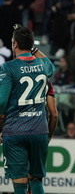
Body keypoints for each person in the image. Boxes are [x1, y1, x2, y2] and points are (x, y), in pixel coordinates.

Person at [0, 24, 56, 194]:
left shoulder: (8, 68)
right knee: (36, 181)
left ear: (15, 44)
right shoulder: (43, 66)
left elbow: (2, 103)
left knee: (20, 184)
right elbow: (51, 67)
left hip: (15, 131)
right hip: (39, 130)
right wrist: (32, 46)